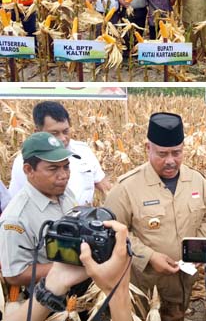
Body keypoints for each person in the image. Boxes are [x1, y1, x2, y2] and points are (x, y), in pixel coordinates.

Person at [104, 112, 206, 321]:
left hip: (184, 282)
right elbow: (113, 231)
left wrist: (199, 246)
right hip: (146, 286)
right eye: (162, 154)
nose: (171, 161)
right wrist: (149, 256)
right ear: (148, 148)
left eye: (177, 153)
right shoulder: (126, 188)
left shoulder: (197, 181)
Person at [5, 220, 133, 321]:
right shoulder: (15, 217)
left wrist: (56, 280)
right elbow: (14, 275)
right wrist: (118, 291)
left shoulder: (67, 196)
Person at [0, 132, 79, 288]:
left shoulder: (64, 193)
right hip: (48, 305)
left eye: (66, 166)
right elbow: (15, 275)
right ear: (29, 170)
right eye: (53, 169)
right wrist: (71, 268)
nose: (63, 175)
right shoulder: (16, 219)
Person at [9, 101, 110, 206]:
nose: (62, 138)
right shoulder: (26, 161)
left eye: (65, 131)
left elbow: (104, 186)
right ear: (37, 131)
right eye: (54, 133)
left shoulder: (83, 151)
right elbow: (16, 201)